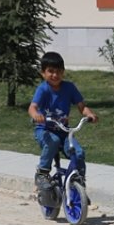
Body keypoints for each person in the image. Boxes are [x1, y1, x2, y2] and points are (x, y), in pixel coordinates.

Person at [28, 51, 97, 188]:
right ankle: (42, 174)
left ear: (63, 71)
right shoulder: (43, 89)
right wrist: (36, 115)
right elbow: (32, 107)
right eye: (50, 71)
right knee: (53, 141)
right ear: (43, 73)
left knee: (78, 152)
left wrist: (89, 114)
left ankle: (79, 181)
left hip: (64, 131)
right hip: (45, 130)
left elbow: (82, 106)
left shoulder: (69, 88)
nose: (55, 75)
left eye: (59, 71)